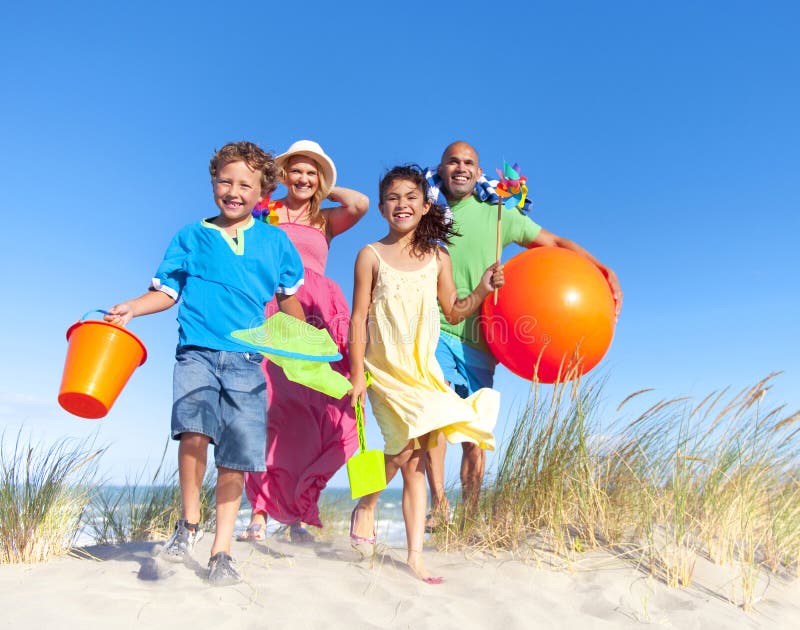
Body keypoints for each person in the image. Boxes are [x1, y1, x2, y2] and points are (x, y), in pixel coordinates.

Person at [104, 141, 305, 586]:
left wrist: (305, 342)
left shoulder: (276, 242)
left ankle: (221, 551)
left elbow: (289, 301)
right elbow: (167, 291)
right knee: (192, 430)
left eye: (245, 185)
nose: (233, 191)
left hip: (248, 360)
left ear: (262, 192)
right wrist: (134, 308)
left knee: (235, 456)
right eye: (225, 181)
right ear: (214, 182)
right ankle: (189, 524)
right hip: (196, 350)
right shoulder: (189, 236)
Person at [424, 141, 624, 529]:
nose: (460, 168)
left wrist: (602, 268)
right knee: (434, 412)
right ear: (442, 167)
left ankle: (469, 514)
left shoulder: (500, 211)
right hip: (437, 326)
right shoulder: (429, 211)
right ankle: (438, 505)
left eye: (468, 162)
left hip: (484, 340)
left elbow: (553, 243)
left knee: (475, 432)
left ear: (478, 170)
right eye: (453, 161)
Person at [348, 165, 504, 583]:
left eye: (411, 197)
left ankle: (415, 555)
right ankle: (365, 504)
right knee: (401, 453)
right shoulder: (370, 255)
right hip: (384, 370)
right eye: (394, 198)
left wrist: (484, 289)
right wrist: (357, 373)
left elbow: (453, 309)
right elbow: (358, 317)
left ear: (424, 204)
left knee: (416, 460)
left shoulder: (438, 256)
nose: (403, 204)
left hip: (423, 371)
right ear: (382, 207)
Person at [239, 140, 368, 543]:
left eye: (312, 172)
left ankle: (296, 513)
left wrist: (322, 187)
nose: (303, 178)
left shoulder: (324, 219)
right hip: (272, 313)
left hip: (317, 315)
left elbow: (361, 204)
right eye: (296, 170)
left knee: (314, 414)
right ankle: (259, 512)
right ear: (283, 175)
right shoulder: (266, 213)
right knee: (268, 408)